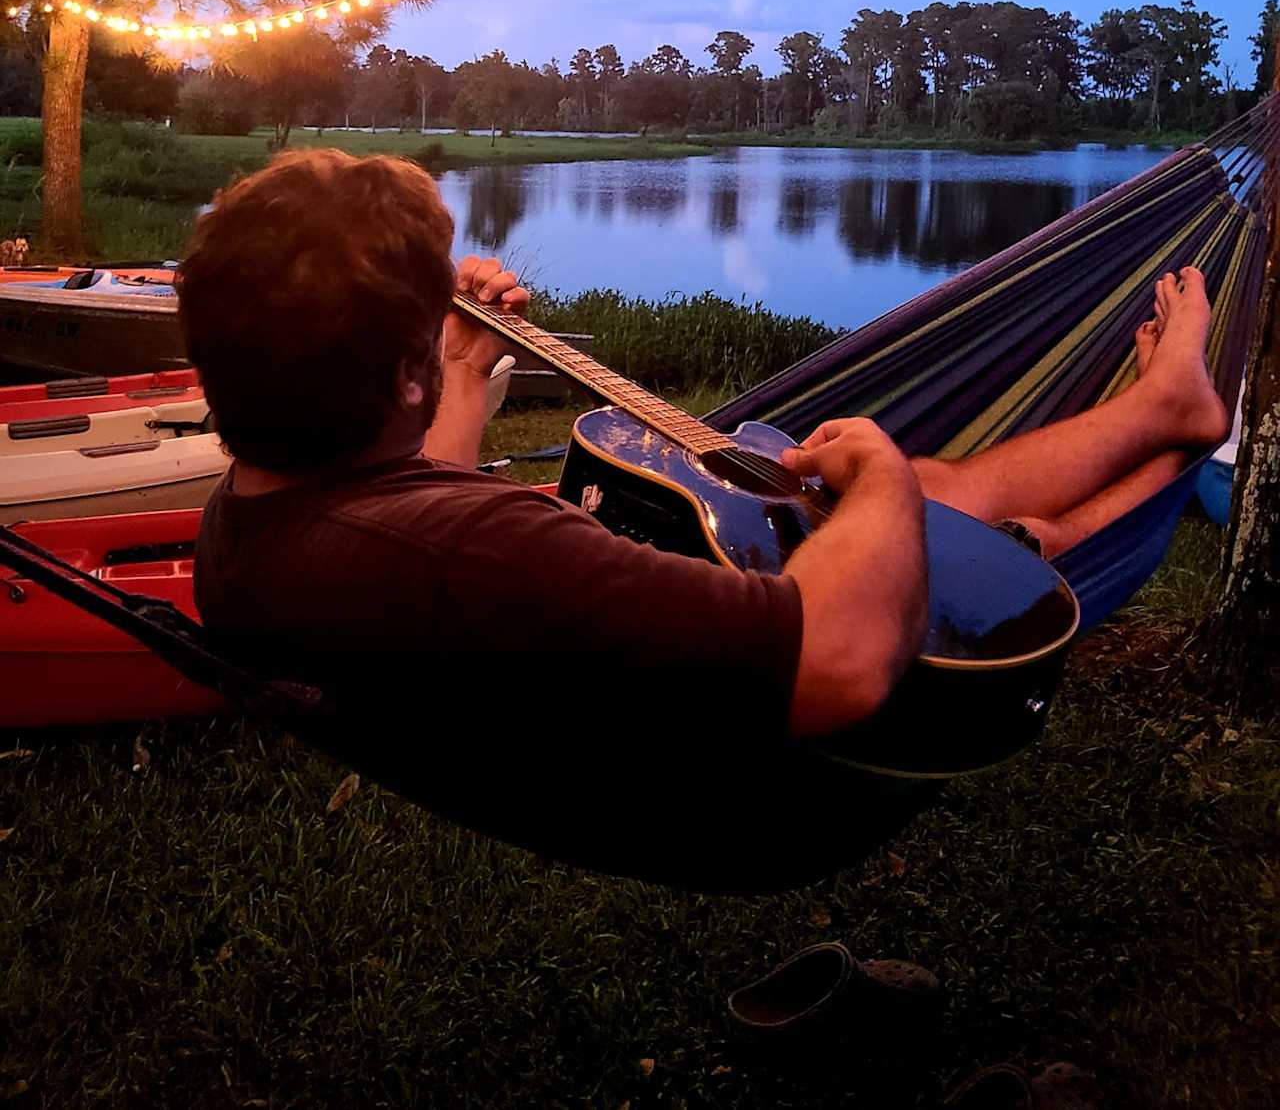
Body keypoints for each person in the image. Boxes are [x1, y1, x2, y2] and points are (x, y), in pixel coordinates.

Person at [181, 149, 1226, 890]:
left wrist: (458, 367)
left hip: (605, 723)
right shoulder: (484, 556)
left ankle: (1152, 424)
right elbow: (840, 661)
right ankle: (1163, 427)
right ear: (396, 381)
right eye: (425, 345)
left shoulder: (254, 529)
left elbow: (418, 505)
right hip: (759, 789)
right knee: (913, 502)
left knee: (848, 499)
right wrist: (881, 484)